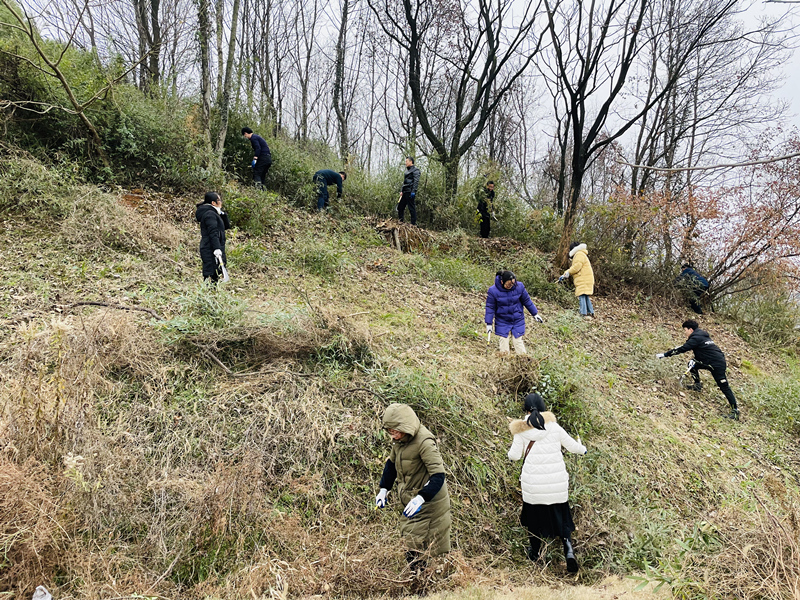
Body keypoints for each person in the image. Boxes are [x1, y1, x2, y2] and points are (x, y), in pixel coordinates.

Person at [508, 392, 586, 573]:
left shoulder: (521, 431)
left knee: (534, 518)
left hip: (533, 487)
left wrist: (509, 452)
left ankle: (535, 553)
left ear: (525, 410)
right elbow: (572, 446)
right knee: (562, 517)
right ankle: (568, 550)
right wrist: (584, 450)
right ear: (543, 408)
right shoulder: (554, 428)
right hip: (557, 484)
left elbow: (514, 456)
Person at [375, 403, 452, 571]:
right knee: (412, 544)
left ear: (405, 426)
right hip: (412, 501)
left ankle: (423, 585)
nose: (392, 436)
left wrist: (421, 498)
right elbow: (391, 464)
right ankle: (421, 581)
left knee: (419, 547)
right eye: (389, 432)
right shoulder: (400, 441)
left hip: (429, 503)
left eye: (394, 431)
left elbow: (438, 475)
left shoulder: (424, 441)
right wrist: (384, 489)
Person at [656, 319, 740, 420]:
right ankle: (697, 386)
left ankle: (735, 411)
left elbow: (682, 349)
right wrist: (695, 360)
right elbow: (704, 352)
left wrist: (665, 355)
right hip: (709, 361)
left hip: (717, 364)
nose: (685, 333)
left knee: (724, 386)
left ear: (690, 329)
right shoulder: (700, 336)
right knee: (692, 365)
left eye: (685, 330)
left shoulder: (696, 338)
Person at [485, 270, 544, 355]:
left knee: (518, 340)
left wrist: (535, 314)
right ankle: (504, 362)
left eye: (512, 284)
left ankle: (524, 361)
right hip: (502, 320)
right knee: (503, 340)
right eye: (508, 285)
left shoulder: (519, 287)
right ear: (502, 282)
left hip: (517, 318)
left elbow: (527, 301)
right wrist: (489, 323)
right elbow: (490, 308)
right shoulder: (493, 291)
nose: (510, 286)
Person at [195, 191, 231, 283]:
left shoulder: (215, 213)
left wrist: (222, 214)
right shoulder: (210, 214)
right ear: (213, 203)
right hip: (210, 248)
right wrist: (216, 248)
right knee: (210, 272)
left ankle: (213, 294)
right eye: (219, 200)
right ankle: (208, 293)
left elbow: (226, 226)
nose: (221, 202)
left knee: (217, 272)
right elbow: (213, 232)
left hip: (215, 246)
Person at [559, 242, 595, 318]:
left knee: (581, 295)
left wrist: (567, 272)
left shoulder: (579, 254)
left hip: (583, 279)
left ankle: (583, 313)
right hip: (585, 279)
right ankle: (590, 312)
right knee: (585, 295)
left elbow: (576, 267)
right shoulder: (581, 254)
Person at [398, 156, 421, 225]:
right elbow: (404, 182)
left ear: (411, 162)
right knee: (400, 207)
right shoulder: (407, 171)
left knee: (411, 208)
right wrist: (402, 190)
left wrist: (413, 191)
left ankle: (413, 224)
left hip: (410, 192)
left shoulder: (416, 170)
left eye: (406, 161)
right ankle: (400, 221)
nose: (405, 163)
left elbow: (416, 182)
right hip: (405, 192)